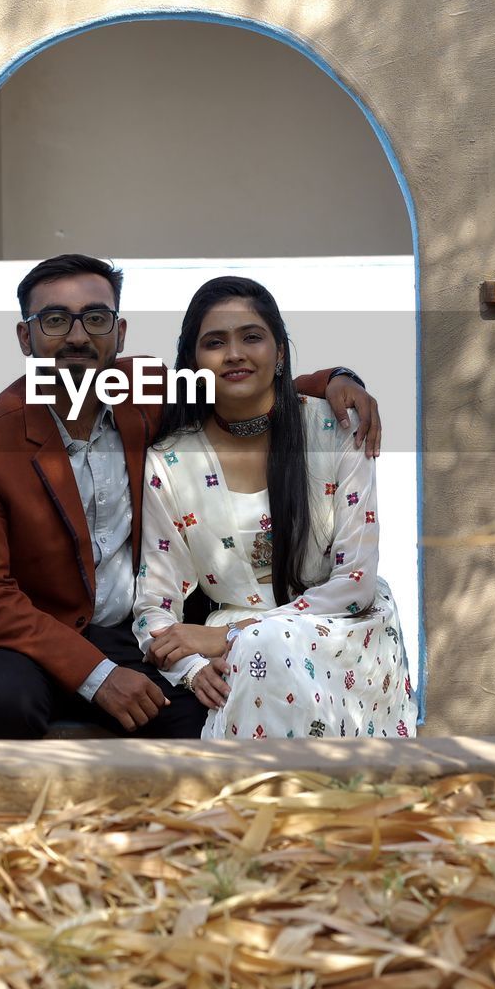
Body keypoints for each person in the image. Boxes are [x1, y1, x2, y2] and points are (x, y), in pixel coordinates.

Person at [0, 253, 383, 739]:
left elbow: (240, 385)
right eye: (55, 320)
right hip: (20, 641)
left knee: (206, 714)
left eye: (96, 318)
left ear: (118, 333)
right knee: (4, 703)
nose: (78, 336)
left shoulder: (142, 390)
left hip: (127, 635)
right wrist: (97, 677)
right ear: (26, 336)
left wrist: (336, 381)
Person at [133, 276, 416, 740]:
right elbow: (153, 607)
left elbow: (355, 584)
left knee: (263, 643)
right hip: (237, 657)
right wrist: (190, 667)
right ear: (191, 363)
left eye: (251, 337)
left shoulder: (335, 429)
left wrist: (234, 632)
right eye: (214, 343)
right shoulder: (170, 461)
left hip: (343, 632)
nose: (234, 354)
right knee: (261, 650)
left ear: (280, 352)